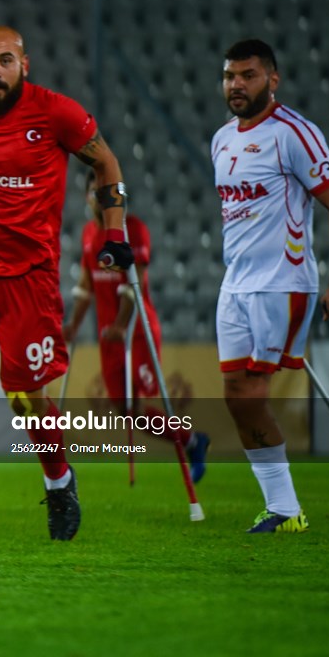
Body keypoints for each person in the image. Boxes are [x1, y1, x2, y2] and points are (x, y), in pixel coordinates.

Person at [0, 26, 133, 541]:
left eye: (5, 60)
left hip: (28, 277)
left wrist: (116, 233)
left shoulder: (57, 113)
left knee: (23, 393)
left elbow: (104, 161)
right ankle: (54, 468)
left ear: (24, 65)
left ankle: (59, 482)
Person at [211, 39, 329, 533]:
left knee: (252, 392)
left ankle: (285, 508)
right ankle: (283, 507)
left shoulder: (294, 133)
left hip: (283, 284)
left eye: (248, 75)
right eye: (230, 75)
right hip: (234, 286)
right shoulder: (221, 139)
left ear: (272, 80)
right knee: (235, 395)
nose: (236, 84)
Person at [63, 171, 210, 481]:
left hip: (136, 330)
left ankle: (192, 442)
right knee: (127, 411)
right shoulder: (89, 234)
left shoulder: (134, 232)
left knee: (138, 403)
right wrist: (72, 326)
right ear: (86, 198)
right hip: (109, 336)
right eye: (93, 192)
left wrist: (120, 324)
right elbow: (86, 285)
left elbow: (135, 283)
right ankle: (193, 440)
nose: (97, 199)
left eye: (104, 193)